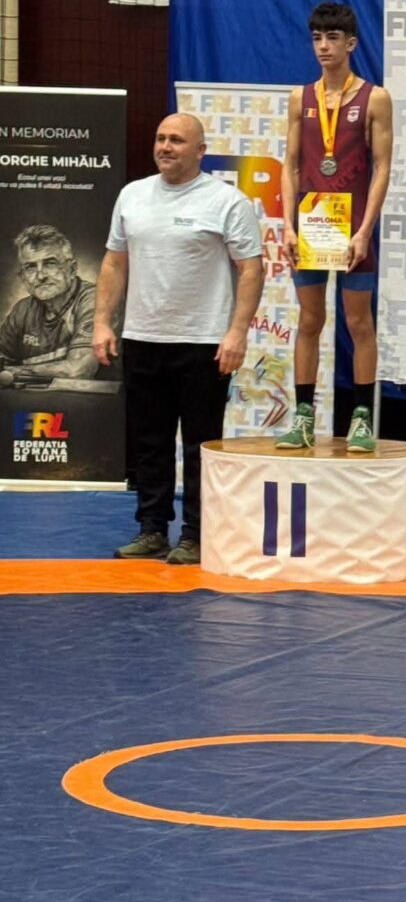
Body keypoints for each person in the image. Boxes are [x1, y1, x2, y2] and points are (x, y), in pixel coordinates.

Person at [93, 113, 264, 564]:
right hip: (143, 337)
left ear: (200, 151)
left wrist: (237, 332)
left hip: (204, 341)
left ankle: (196, 535)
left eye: (177, 140)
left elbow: (251, 269)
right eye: (160, 138)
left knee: (200, 445)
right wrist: (102, 322)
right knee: (149, 442)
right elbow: (114, 262)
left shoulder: (227, 201)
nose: (165, 147)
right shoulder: (132, 195)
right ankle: (151, 530)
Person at [274, 2, 393, 453]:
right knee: (310, 319)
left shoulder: (374, 98)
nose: (324, 47)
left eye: (332, 38)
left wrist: (365, 231)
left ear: (351, 43)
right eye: (317, 38)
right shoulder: (300, 98)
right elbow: (290, 165)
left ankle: (361, 418)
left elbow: (382, 168)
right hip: (310, 227)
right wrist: (287, 226)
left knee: (358, 322)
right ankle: (303, 417)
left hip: (352, 228)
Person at [0, 225, 99, 387]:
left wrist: (11, 372)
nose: (40, 276)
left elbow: (79, 370)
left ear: (72, 269)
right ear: (22, 276)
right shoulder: (22, 311)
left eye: (50, 264)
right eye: (30, 267)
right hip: (36, 402)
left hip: (91, 402)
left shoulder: (94, 300)